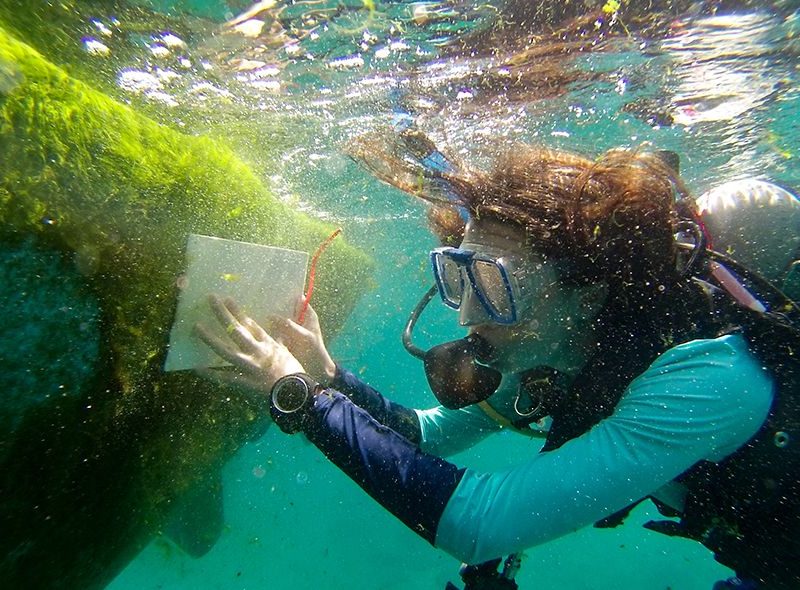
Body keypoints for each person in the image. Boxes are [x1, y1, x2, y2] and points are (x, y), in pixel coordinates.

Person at [196, 134, 800, 590]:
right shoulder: (566, 353)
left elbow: (481, 521)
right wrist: (328, 376)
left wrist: (297, 394)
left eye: (492, 285)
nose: (464, 317)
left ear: (583, 295)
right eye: (458, 280)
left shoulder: (711, 382)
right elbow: (426, 436)